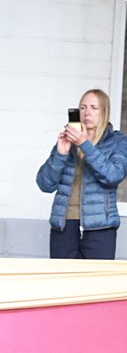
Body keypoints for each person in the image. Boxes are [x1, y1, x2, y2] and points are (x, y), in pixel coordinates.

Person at [35, 88, 127, 259]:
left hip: (100, 227)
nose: (87, 113)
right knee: (63, 282)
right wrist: (61, 154)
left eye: (94, 107)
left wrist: (85, 144)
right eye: (83, 107)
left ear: (104, 112)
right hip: (63, 226)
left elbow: (113, 175)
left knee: (95, 282)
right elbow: (45, 184)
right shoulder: (68, 142)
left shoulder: (117, 142)